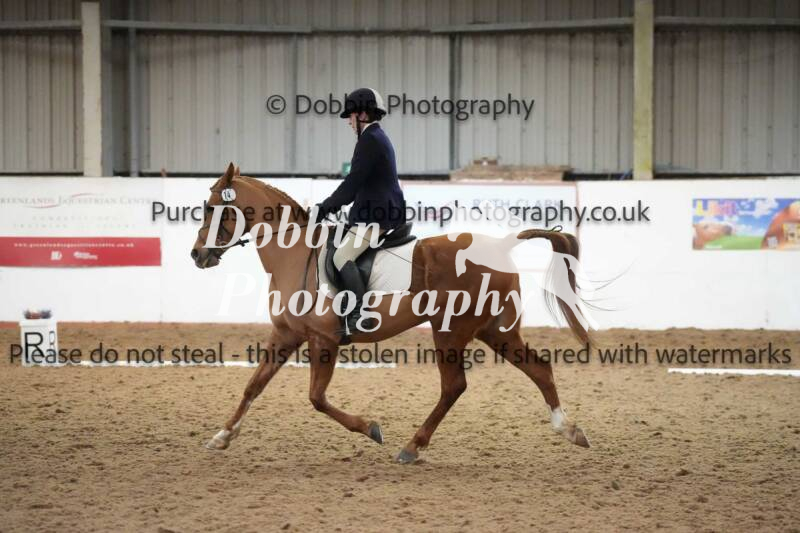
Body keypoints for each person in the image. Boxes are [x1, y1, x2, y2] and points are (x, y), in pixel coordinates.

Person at [315, 87, 406, 335]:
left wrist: (324, 207)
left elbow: (352, 183)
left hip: (378, 215)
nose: (348, 121)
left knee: (341, 257)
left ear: (363, 114)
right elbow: (360, 185)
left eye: (351, 115)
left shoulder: (370, 140)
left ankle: (360, 314)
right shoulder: (374, 137)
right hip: (373, 211)